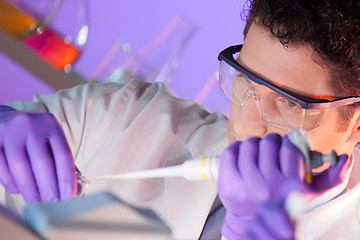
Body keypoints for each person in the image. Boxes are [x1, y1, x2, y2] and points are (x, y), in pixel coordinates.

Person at [0, 0, 359, 239]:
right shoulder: (132, 115)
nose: (247, 125)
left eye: (288, 104)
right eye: (244, 81)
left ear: (355, 124)